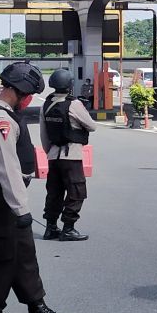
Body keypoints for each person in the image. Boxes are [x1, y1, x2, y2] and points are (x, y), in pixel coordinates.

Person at [0, 62, 72, 313]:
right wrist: (20, 208)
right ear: (20, 92)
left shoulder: (6, 115)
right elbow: (7, 167)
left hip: (9, 200)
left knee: (25, 257)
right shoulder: (0, 119)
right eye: (29, 95)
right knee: (0, 260)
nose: (29, 101)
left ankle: (36, 309)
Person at [39, 68, 96, 242]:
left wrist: (49, 151)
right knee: (76, 192)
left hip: (53, 156)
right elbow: (92, 126)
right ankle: (68, 228)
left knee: (54, 192)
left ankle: (51, 227)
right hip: (71, 155)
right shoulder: (74, 104)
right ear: (70, 85)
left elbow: (44, 134)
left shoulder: (46, 104)